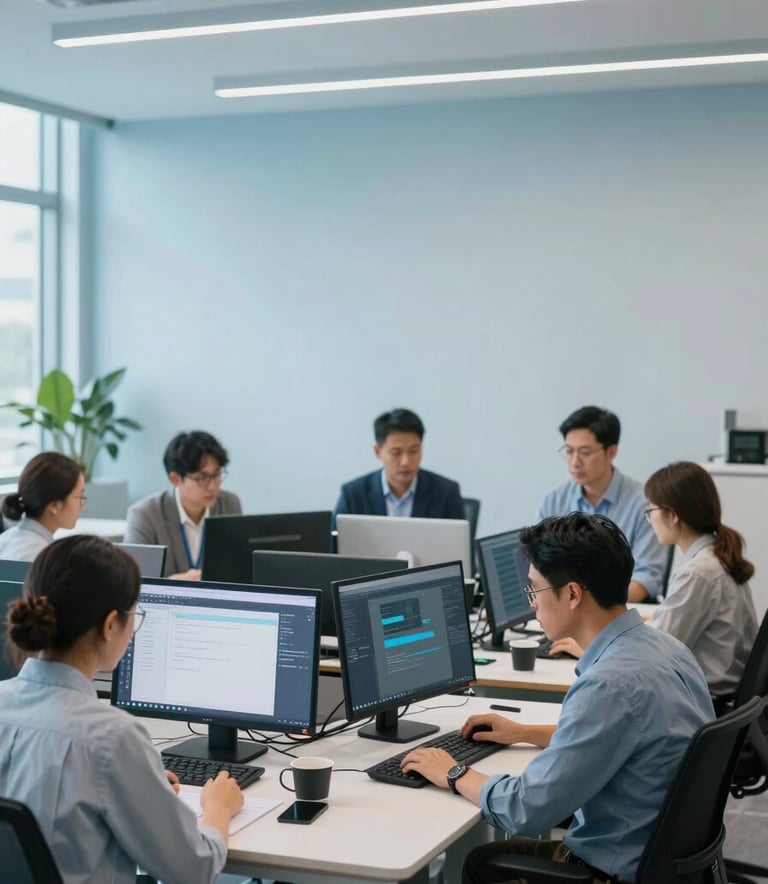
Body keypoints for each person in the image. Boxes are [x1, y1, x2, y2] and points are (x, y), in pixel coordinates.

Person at [401, 513, 713, 884]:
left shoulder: (608, 685)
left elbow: (526, 810)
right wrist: (524, 732)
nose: (532, 603)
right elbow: (626, 735)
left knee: (481, 862)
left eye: (534, 589)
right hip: (667, 863)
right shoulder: (670, 650)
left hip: (610, 871)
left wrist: (453, 772)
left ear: (572, 594)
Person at [0, 535, 243, 883]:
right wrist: (218, 808)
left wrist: (139, 783)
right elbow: (194, 870)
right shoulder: (111, 738)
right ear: (110, 624)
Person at [644, 461, 758, 707]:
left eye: (651, 510)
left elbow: (652, 655)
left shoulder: (699, 573)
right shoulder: (715, 557)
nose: (649, 519)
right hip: (721, 700)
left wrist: (590, 644)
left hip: (701, 704)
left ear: (672, 515)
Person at [538, 405, 666, 602]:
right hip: (566, 610)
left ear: (611, 452)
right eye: (569, 451)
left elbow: (645, 578)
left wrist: (590, 603)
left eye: (585, 452)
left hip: (619, 613)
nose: (575, 462)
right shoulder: (554, 501)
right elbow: (539, 568)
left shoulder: (643, 505)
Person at [125, 430, 241, 579]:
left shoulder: (229, 504)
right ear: (175, 479)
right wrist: (172, 584)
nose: (213, 486)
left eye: (216, 475)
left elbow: (237, 566)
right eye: (202, 478)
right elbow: (133, 583)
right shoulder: (145, 515)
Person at [334, 408, 464, 527]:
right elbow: (335, 549)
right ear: (377, 452)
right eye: (396, 453)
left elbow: (461, 550)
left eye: (414, 451)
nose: (406, 462)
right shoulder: (353, 495)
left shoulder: (446, 493)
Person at [0, 451, 85, 561]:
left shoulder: (5, 539)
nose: (82, 505)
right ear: (54, 506)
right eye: (80, 497)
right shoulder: (44, 557)